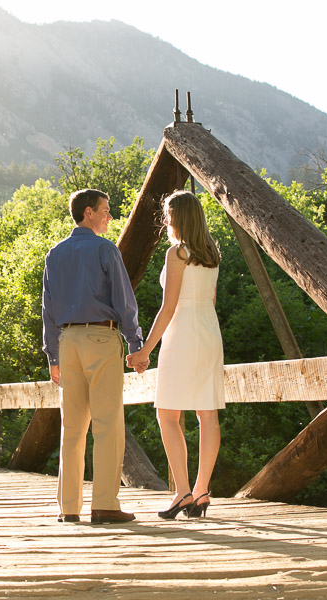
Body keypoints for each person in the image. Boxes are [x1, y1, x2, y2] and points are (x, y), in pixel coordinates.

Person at [42, 188, 144, 524]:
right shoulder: (105, 249)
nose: (109, 217)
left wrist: (52, 356)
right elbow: (124, 302)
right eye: (106, 211)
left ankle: (68, 509)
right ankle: (104, 505)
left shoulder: (54, 254)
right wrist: (135, 345)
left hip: (67, 341)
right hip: (101, 338)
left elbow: (48, 309)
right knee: (107, 425)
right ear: (89, 212)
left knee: (71, 428)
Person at [128, 190, 224, 519]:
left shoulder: (177, 253)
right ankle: (202, 492)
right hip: (209, 333)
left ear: (180, 216)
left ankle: (182, 492)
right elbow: (210, 301)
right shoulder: (212, 252)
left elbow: (168, 308)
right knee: (207, 415)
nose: (165, 219)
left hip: (182, 334)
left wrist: (144, 351)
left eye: (168, 213)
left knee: (167, 415)